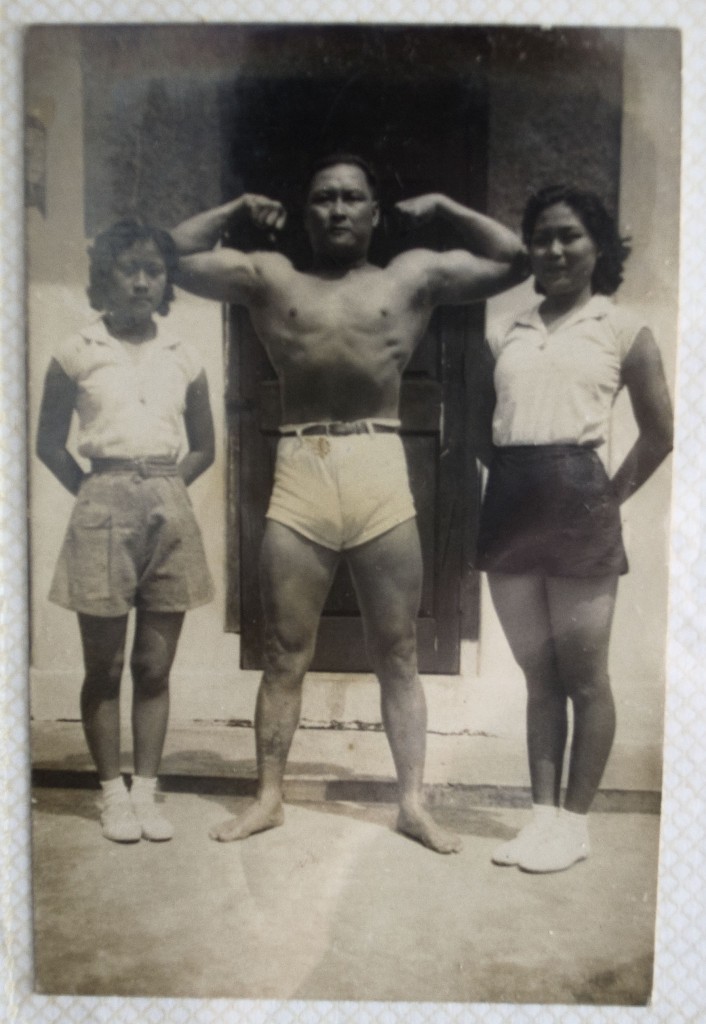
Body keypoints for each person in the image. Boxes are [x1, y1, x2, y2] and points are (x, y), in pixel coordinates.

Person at [172, 153, 528, 853]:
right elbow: (173, 256)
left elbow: (514, 261)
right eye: (323, 198)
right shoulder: (273, 279)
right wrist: (239, 209)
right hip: (301, 465)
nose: (337, 209)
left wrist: (448, 209)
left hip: (379, 467)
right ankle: (269, 797)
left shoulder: (412, 276)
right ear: (305, 214)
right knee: (283, 652)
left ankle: (413, 804)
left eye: (351, 198)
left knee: (398, 651)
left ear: (373, 212)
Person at [476, 184, 673, 873]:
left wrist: (606, 500)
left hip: (580, 503)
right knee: (538, 677)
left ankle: (577, 823)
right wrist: (514, 484)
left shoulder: (622, 328)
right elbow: (483, 428)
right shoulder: (507, 326)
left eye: (570, 236)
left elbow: (660, 433)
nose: (554, 249)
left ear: (598, 247)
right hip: (511, 504)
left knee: (585, 675)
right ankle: (542, 821)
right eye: (542, 237)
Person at [36, 219, 216, 843]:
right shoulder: (77, 351)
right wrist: (99, 494)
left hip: (168, 503)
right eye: (129, 268)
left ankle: (148, 791)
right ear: (105, 275)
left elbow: (205, 448)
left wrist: (162, 488)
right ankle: (111, 793)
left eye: (154, 271)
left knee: (155, 666)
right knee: (105, 666)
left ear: (166, 282)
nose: (142, 281)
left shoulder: (182, 354)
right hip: (102, 504)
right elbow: (48, 445)